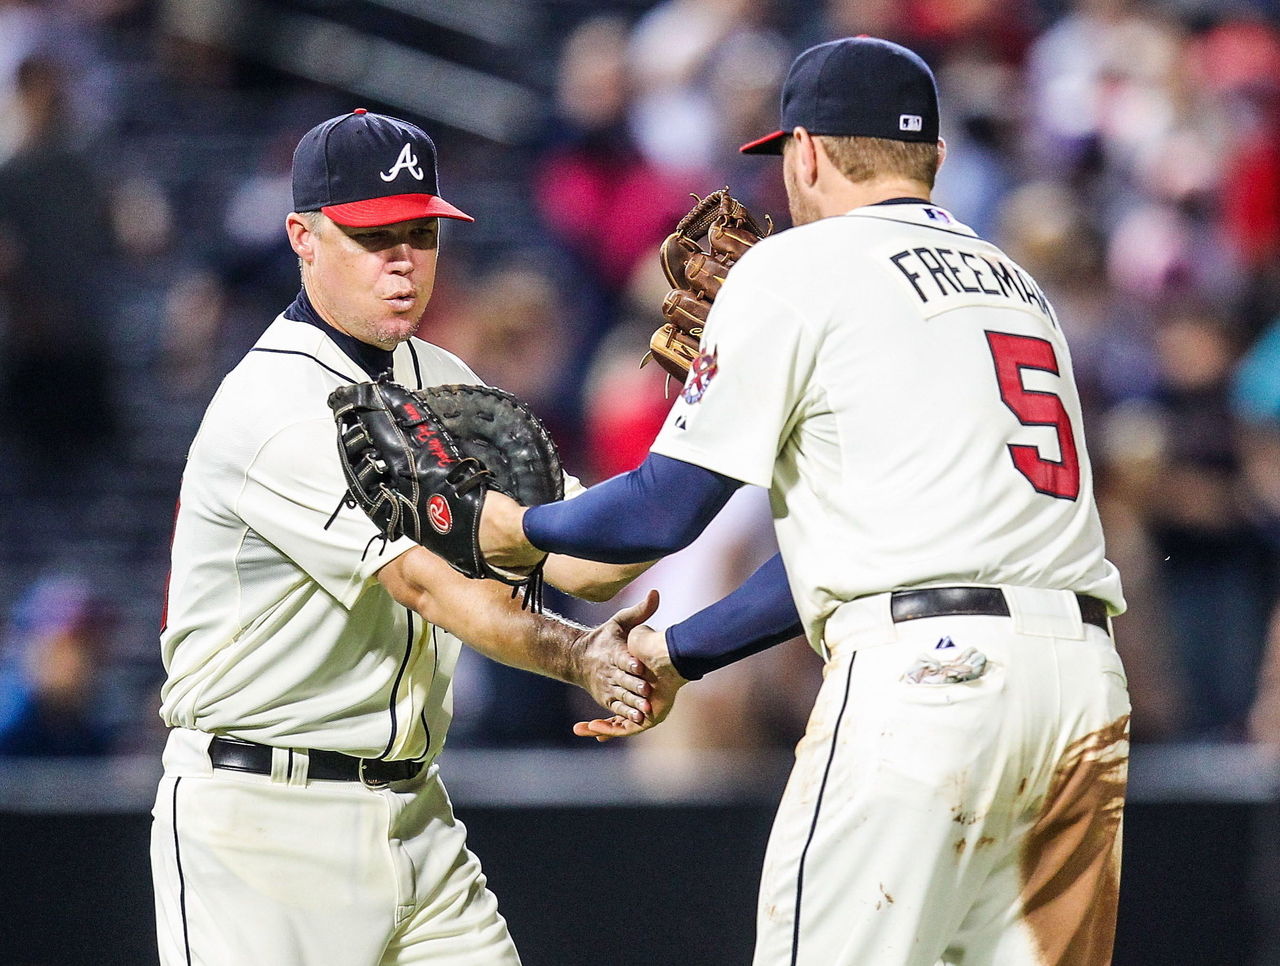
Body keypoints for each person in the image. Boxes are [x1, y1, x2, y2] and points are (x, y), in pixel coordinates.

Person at [475, 38, 1130, 966]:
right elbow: (859, 548)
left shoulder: (796, 271)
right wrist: (680, 653)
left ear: (808, 152)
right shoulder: (1021, 288)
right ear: (934, 161)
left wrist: (513, 528)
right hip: (1079, 690)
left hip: (925, 682)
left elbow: (661, 514)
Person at [149, 109, 657, 966]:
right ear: (302, 237)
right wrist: (578, 658)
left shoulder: (442, 377)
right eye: (372, 235)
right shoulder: (273, 407)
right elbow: (436, 586)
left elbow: (583, 555)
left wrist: (708, 423)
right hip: (263, 827)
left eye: (421, 233)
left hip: (415, 813)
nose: (403, 260)